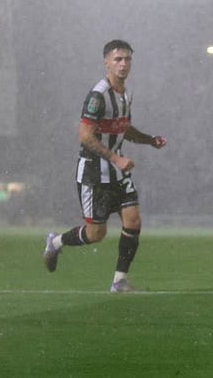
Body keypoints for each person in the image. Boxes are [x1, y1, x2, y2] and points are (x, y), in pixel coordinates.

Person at [41, 39, 168, 293]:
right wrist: (116, 158)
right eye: (117, 59)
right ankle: (55, 242)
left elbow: (123, 128)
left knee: (133, 221)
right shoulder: (98, 96)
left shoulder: (126, 93)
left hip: (117, 171)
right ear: (106, 62)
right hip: (93, 171)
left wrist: (149, 140)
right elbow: (85, 136)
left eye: (127, 59)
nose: (123, 64)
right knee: (95, 234)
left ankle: (119, 281)